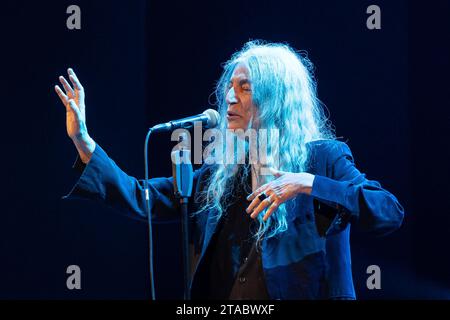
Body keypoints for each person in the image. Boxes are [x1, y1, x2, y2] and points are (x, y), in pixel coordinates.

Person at [55, 41, 404, 300]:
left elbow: (387, 210)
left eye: (245, 88)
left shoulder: (322, 160)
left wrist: (307, 183)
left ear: (276, 98)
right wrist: (85, 143)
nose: (230, 98)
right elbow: (142, 196)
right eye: (229, 88)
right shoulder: (223, 176)